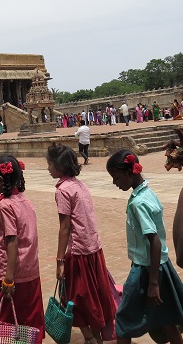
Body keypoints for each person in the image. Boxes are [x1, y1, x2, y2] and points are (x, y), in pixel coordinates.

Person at [106, 150, 183, 343]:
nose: (115, 183)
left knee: (123, 323)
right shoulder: (147, 192)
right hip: (161, 267)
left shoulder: (138, 203)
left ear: (129, 173)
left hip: (146, 270)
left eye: (116, 177)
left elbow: (154, 241)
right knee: (166, 318)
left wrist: (153, 283)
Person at [47, 143, 116, 344]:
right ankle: (95, 336)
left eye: (50, 164)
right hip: (93, 246)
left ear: (59, 166)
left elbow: (65, 227)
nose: (48, 168)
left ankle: (90, 337)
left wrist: (60, 259)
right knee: (93, 295)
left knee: (76, 298)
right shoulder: (79, 185)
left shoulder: (63, 190)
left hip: (78, 250)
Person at [0, 155, 45, 342]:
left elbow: (12, 240)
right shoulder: (25, 201)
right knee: (28, 318)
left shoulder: (5, 205)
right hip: (30, 270)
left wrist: (8, 278)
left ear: (0, 180)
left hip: (11, 272)